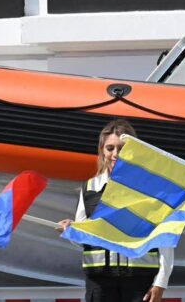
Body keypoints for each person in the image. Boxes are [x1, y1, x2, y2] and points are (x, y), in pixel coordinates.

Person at [58, 119, 173, 302]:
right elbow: (85, 240)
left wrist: (161, 282)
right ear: (102, 151)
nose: (115, 154)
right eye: (110, 148)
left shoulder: (149, 190)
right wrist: (71, 231)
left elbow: (165, 238)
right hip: (100, 283)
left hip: (139, 281)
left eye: (122, 148)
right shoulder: (89, 188)